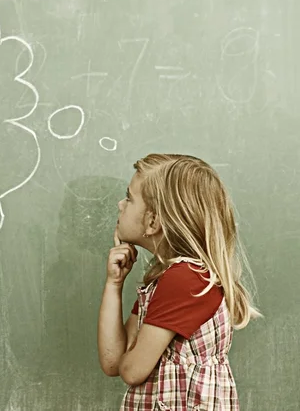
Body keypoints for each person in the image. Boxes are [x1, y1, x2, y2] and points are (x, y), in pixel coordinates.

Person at [97, 153, 261, 410]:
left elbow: (131, 371)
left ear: (152, 222)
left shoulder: (185, 280)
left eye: (129, 198)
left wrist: (132, 353)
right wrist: (114, 284)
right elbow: (112, 362)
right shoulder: (166, 278)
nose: (120, 204)